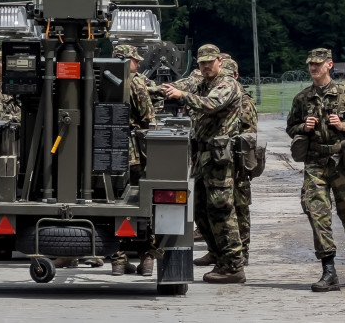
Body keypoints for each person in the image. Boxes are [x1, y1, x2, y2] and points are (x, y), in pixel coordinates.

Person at [286, 48, 345, 292]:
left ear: (330, 65)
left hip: (343, 162)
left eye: (318, 64)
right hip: (315, 162)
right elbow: (290, 127)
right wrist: (302, 127)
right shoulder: (302, 98)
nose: (313, 68)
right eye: (310, 65)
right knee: (317, 214)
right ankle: (329, 269)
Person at [162, 43, 246, 284]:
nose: (207, 66)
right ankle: (220, 258)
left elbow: (211, 104)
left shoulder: (226, 84)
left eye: (211, 61)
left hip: (220, 159)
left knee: (221, 210)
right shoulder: (201, 82)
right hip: (203, 157)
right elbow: (177, 87)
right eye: (202, 62)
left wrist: (183, 96)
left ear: (220, 61)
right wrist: (149, 86)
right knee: (200, 209)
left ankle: (233, 265)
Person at [110, 44, 158, 276]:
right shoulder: (136, 81)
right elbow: (148, 116)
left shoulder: (97, 77)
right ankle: (146, 257)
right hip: (134, 154)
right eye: (135, 60)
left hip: (106, 152)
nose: (138, 64)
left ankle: (118, 260)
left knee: (112, 206)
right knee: (143, 205)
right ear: (126, 60)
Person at [222, 56, 257, 266]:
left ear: (236, 76)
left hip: (238, 162)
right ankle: (219, 251)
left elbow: (249, 135)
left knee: (240, 207)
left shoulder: (244, 101)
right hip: (222, 160)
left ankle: (243, 251)